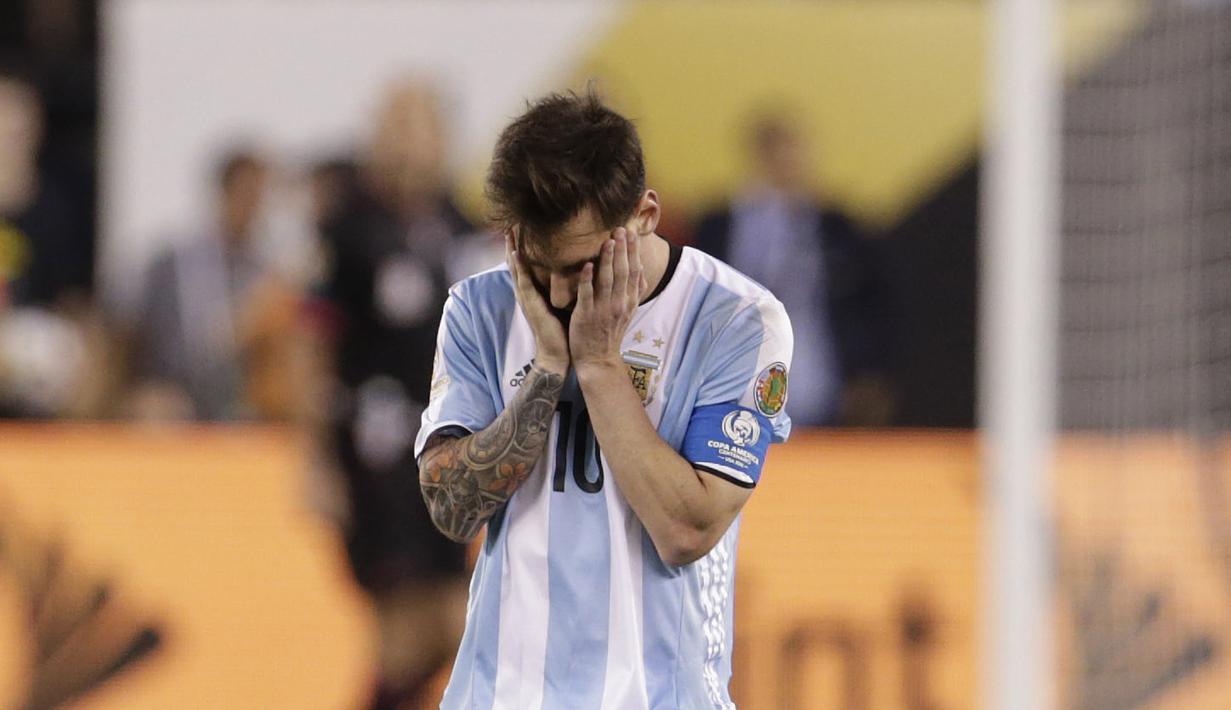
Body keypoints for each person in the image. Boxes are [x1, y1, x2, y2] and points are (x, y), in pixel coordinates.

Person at [416, 90, 794, 709]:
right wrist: (545, 373)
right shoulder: (479, 308)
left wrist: (597, 364)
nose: (561, 293)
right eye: (540, 266)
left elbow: (685, 529)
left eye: (585, 265)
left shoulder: (737, 320)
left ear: (645, 214)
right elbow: (452, 513)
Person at [305, 80, 472, 710]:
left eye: (422, 124)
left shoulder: (461, 224)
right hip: (375, 452)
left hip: (453, 453)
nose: (409, 141)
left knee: (446, 628)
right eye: (397, 124)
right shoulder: (348, 226)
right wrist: (315, 457)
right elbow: (313, 339)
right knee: (413, 629)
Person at [694, 110, 896, 427]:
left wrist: (868, 372)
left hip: (819, 376)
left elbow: (876, 303)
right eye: (774, 154)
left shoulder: (838, 228)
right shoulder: (720, 225)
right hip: (735, 373)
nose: (784, 166)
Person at [128, 149, 298, 421]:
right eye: (246, 195)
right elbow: (144, 338)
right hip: (177, 393)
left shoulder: (270, 272)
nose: (253, 208)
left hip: (246, 400)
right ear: (223, 193)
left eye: (260, 198)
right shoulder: (173, 264)